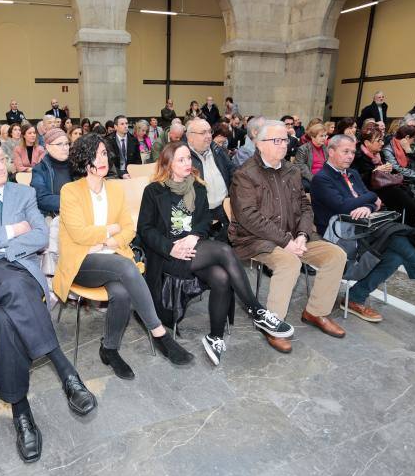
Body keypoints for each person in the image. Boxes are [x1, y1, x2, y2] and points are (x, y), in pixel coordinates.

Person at [0, 134, 97, 463]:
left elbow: (41, 235)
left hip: (21, 273)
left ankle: (21, 413)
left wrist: (3, 245)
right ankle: (66, 372)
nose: (0, 166)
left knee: (7, 319)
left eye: (2, 159)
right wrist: (13, 233)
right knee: (12, 289)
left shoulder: (23, 191)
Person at [138, 141, 292, 365]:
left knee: (221, 277)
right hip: (167, 255)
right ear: (168, 163)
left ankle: (215, 337)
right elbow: (144, 229)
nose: (187, 163)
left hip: (193, 248)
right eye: (180, 159)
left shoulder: (198, 187)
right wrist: (171, 247)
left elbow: (203, 222)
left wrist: (194, 236)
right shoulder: (154, 191)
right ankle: (256, 310)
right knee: (223, 250)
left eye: (188, 158)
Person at [54, 133, 194, 375]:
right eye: (97, 154)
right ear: (84, 159)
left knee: (121, 292)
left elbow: (129, 229)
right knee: (127, 268)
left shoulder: (115, 190)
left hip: (111, 255)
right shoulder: (70, 191)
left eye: (105, 153)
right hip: (81, 262)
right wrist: (110, 229)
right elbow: (78, 234)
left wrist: (110, 239)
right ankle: (160, 333)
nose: (104, 158)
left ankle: (109, 349)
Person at [311, 135, 415, 322]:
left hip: (365, 226)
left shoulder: (352, 173)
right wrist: (369, 200)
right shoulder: (322, 178)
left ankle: (355, 297)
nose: (351, 156)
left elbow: (375, 202)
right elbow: (346, 206)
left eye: (353, 152)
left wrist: (366, 205)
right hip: (340, 233)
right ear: (331, 151)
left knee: (397, 249)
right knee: (396, 236)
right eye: (346, 151)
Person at [230, 121, 349, 352]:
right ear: (260, 144)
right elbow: (248, 217)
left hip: (295, 236)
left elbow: (305, 206)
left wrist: (303, 235)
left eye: (285, 140)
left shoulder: (292, 171)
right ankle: (272, 324)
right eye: (277, 140)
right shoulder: (244, 174)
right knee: (289, 262)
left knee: (335, 255)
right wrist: (286, 242)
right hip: (255, 239)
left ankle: (316, 312)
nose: (284, 145)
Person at [352, 128, 415, 231]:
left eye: (382, 140)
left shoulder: (379, 154)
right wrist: (375, 171)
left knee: (406, 191)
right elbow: (358, 179)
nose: (382, 143)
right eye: (379, 140)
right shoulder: (358, 156)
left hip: (387, 185)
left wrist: (390, 168)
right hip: (368, 188)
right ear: (367, 143)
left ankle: (407, 227)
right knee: (397, 192)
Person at [186, 118, 235, 241]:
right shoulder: (182, 156)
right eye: (203, 133)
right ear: (190, 137)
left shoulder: (218, 150)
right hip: (199, 211)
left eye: (209, 132)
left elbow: (232, 171)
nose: (208, 136)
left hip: (223, 206)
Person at [31, 128, 72, 216]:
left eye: (66, 144)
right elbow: (41, 198)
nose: (65, 148)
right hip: (54, 215)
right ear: (48, 147)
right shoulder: (40, 169)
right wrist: (72, 202)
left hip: (80, 213)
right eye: (59, 144)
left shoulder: (76, 166)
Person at [293, 123, 328, 191]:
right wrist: (314, 179)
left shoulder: (326, 148)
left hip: (324, 177)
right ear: (313, 137)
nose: (324, 138)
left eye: (325, 135)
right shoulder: (303, 149)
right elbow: (300, 166)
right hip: (309, 177)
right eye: (321, 136)